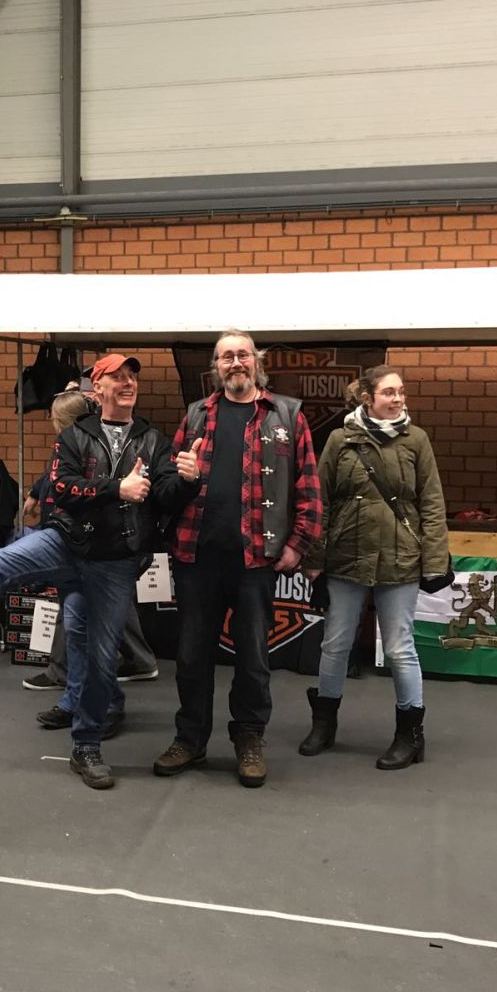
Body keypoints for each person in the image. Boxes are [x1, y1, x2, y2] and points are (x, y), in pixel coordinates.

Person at [0, 354, 201, 789]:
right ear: (98, 388)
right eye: (117, 377)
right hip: (66, 541)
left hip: (114, 561)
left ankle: (86, 747)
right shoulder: (76, 436)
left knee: (99, 656)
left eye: (131, 378)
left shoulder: (153, 441)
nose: (127, 384)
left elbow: (165, 496)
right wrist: (116, 488)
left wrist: (188, 480)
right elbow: (61, 487)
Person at [154, 330, 322, 788]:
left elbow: (308, 486)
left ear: (256, 362)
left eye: (242, 354)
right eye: (226, 356)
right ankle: (190, 739)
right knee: (191, 657)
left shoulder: (287, 415)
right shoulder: (196, 415)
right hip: (196, 557)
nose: (235, 363)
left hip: (255, 561)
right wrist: (183, 477)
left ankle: (249, 739)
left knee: (253, 658)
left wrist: (298, 544)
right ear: (216, 367)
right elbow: (167, 486)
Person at [300, 365, 450, 769]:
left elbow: (432, 503)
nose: (398, 399)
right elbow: (320, 500)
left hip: (400, 560)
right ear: (367, 398)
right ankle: (324, 724)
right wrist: (314, 557)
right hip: (346, 557)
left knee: (400, 649)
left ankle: (410, 735)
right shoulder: (340, 440)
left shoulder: (416, 440)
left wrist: (435, 562)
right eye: (389, 392)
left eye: (401, 392)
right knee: (335, 644)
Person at [23, 390, 159, 732]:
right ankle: (77, 700)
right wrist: (38, 492)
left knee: (96, 634)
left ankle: (105, 704)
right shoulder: (68, 446)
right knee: (78, 629)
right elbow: (56, 478)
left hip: (101, 553)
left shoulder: (106, 448)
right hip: (70, 548)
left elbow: (101, 490)